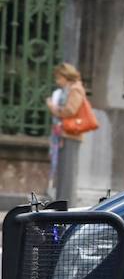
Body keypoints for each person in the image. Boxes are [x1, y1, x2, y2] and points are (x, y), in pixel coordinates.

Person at [46, 63, 88, 203]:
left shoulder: (75, 89)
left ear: (66, 76)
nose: (57, 81)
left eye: (59, 78)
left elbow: (70, 110)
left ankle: (67, 202)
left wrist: (53, 108)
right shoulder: (69, 89)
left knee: (68, 171)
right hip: (65, 134)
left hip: (71, 134)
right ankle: (62, 200)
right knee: (63, 170)